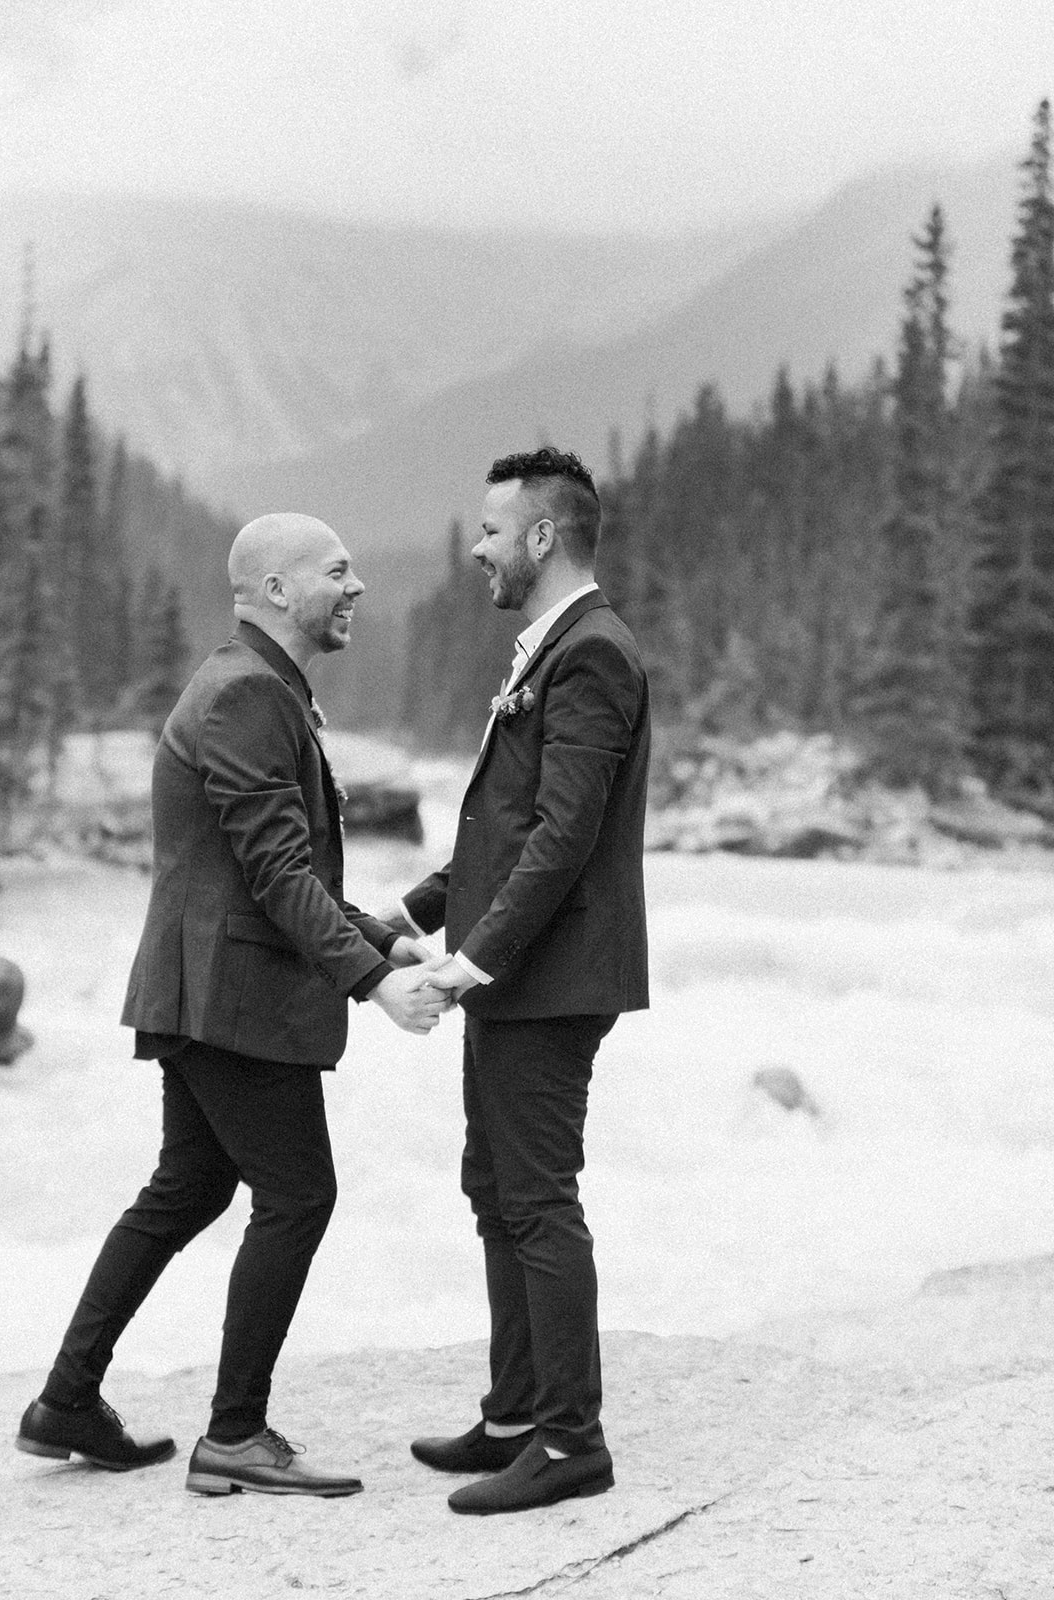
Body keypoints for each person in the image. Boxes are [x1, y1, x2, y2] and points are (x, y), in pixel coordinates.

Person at [16, 512, 448, 1499]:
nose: (356, 588)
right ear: (280, 590)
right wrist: (376, 982)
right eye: (338, 572)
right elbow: (275, 869)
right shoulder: (250, 693)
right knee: (298, 1194)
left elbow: (265, 868)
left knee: (189, 1186)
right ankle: (235, 1433)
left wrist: (379, 936)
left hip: (205, 986)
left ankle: (66, 1400)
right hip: (231, 994)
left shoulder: (254, 685)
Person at [398, 447, 651, 1515]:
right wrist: (417, 911)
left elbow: (562, 836)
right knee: (492, 1187)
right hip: (520, 976)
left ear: (542, 537)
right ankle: (512, 1413)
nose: (478, 547)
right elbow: (507, 828)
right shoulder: (552, 647)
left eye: (493, 530)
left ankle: (569, 1438)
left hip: (548, 980)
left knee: (538, 1198)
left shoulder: (589, 654)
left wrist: (472, 958)